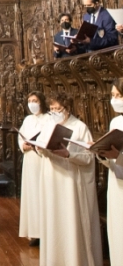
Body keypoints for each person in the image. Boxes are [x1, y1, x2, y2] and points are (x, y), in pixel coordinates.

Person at [37, 93, 102, 266]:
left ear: (68, 109)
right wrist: (40, 148)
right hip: (52, 181)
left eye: (59, 109)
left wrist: (69, 154)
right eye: (52, 109)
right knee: (54, 222)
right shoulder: (48, 125)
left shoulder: (80, 127)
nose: (55, 112)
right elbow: (42, 146)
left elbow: (89, 157)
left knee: (71, 224)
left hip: (70, 184)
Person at [95, 78, 123, 266]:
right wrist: (103, 154)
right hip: (116, 183)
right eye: (113, 96)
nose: (115, 100)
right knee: (117, 231)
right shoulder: (115, 121)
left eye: (119, 95)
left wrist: (119, 156)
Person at [18, 91, 50, 246]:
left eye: (35, 100)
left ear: (41, 102)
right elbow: (21, 137)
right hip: (30, 160)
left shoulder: (49, 119)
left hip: (43, 159)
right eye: (29, 101)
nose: (32, 104)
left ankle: (47, 232)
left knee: (44, 194)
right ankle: (35, 232)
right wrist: (23, 145)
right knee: (32, 195)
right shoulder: (28, 119)